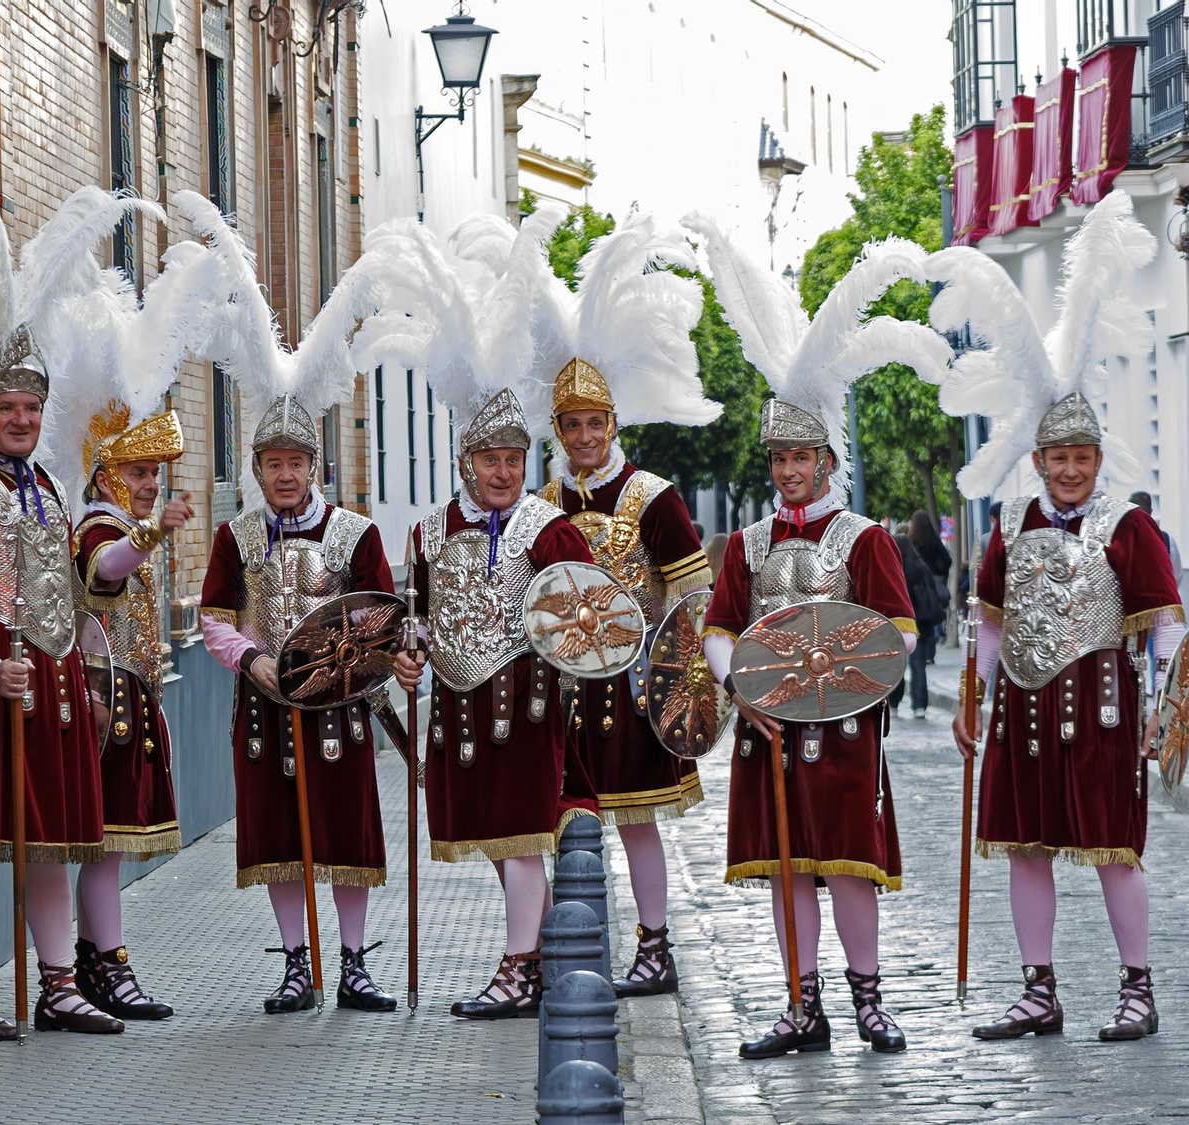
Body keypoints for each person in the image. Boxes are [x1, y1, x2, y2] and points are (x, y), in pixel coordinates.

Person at [0, 166, 170, 1039]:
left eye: (29, 407)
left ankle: (58, 982)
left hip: (47, 679)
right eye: (5, 407)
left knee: (53, 839)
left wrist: (79, 662)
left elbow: (67, 582)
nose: (18, 418)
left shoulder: (48, 486)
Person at [687, 212, 952, 1058]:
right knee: (788, 866)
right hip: (768, 731)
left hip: (844, 729)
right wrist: (743, 687)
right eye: (780, 460)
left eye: (804, 457)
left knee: (846, 864)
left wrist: (843, 674)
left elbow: (902, 631)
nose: (791, 471)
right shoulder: (752, 544)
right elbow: (720, 626)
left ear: (829, 461)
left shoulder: (865, 538)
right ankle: (801, 1006)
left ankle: (869, 999)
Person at [931, 190, 1182, 1044]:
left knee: (1116, 850)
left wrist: (1164, 716)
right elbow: (988, 620)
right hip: (1027, 714)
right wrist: (973, 697)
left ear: (1097, 460)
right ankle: (1038, 990)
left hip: (1107, 712)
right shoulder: (1009, 524)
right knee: (1024, 847)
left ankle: (1137, 987)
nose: (1069, 471)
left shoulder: (1128, 526)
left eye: (1081, 458)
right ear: (1037, 459)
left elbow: (1166, 625)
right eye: (1057, 458)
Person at [352, 203, 605, 1020]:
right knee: (497, 838)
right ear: (467, 460)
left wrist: (566, 650)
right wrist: (407, 655)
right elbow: (415, 616)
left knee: (525, 833)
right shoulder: (428, 530)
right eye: (490, 460)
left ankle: (519, 964)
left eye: (513, 460)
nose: (502, 472)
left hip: (527, 704)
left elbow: (593, 611)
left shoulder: (551, 525)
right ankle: (521, 957)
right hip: (459, 705)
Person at [183, 193, 412, 1015]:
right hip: (265, 703)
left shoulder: (352, 529)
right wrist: (252, 658)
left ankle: (353, 960)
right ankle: (294, 961)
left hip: (342, 702)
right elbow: (211, 614)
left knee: (346, 833)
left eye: (295, 461)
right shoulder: (237, 536)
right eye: (271, 462)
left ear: (314, 463)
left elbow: (384, 608)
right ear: (256, 467)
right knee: (280, 838)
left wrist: (379, 655)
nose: (284, 474)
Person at [535, 211, 718, 998]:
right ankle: (566, 948)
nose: (583, 435)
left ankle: (654, 943)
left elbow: (692, 590)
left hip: (636, 683)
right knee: (563, 822)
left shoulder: (653, 494)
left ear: (615, 423)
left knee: (637, 818)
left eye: (595, 422)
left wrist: (686, 675)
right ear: (560, 427)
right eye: (572, 423)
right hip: (563, 684)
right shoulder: (541, 500)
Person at [69, 409, 193, 1021]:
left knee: (108, 843)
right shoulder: (98, 525)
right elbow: (105, 569)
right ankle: (109, 965)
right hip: (101, 703)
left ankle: (93, 961)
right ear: (104, 474)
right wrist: (149, 535)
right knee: (103, 840)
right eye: (137, 472)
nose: (150, 484)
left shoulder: (121, 523)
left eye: (154, 474)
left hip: (126, 699)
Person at [891, 532, 943, 719]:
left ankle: (894, 704)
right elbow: (934, 593)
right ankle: (919, 705)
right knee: (918, 666)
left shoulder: (892, 570)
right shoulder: (920, 568)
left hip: (896, 625)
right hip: (920, 623)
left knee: (896, 667)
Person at [909, 509, 953, 660]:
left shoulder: (911, 541)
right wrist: (939, 573)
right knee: (932, 615)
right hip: (933, 583)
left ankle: (920, 652)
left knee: (918, 618)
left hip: (917, 585)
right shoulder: (934, 539)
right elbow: (948, 560)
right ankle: (930, 653)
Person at [1128, 491, 1187, 599]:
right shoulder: (1167, 540)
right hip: (1159, 605)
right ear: (1150, 513)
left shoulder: (1117, 541)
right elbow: (1176, 577)